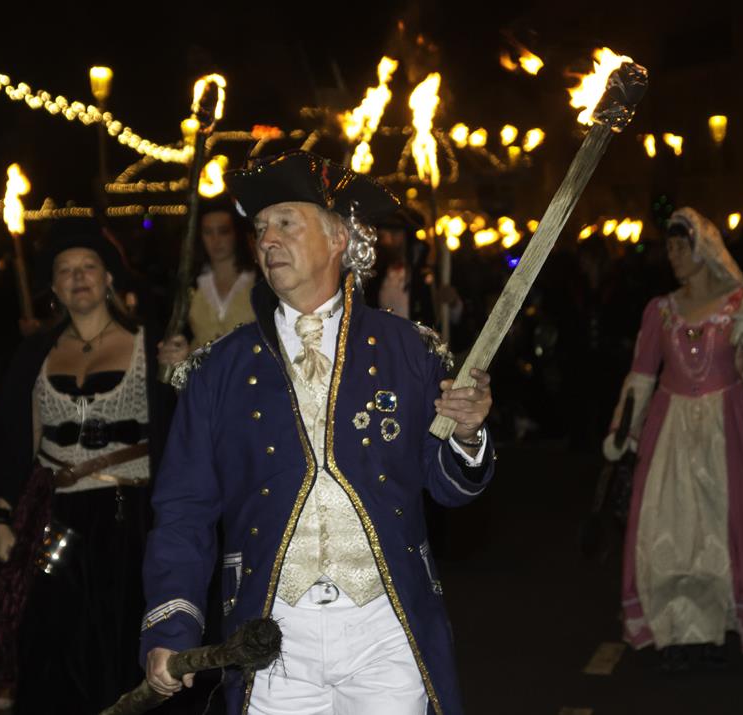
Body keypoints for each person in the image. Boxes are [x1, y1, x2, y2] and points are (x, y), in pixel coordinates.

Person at [141, 151, 496, 714]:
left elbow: (451, 488)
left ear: (338, 239)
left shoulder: (408, 351)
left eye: (286, 222)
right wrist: (172, 623)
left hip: (386, 628)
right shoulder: (219, 370)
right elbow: (183, 510)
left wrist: (468, 435)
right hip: (270, 636)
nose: (268, 240)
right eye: (260, 229)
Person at [0, 218, 167, 713]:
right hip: (57, 518)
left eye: (89, 267)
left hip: (130, 518)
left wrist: (181, 371)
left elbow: (185, 431)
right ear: (54, 285)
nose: (78, 278)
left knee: (124, 644)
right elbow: (11, 440)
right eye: (66, 270)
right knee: (50, 643)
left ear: (109, 278)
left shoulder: (152, 344)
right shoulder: (36, 352)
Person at [605, 207, 743, 671]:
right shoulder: (661, 311)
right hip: (671, 426)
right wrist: (623, 429)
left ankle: (714, 622)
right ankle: (677, 625)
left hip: (727, 426)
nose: (674, 255)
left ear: (703, 249)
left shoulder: (742, 307)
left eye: (682, 246)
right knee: (671, 528)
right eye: (670, 247)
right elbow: (641, 376)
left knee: (720, 526)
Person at [157, 199, 257, 369]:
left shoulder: (258, 281)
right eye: (208, 232)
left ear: (236, 233)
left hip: (251, 378)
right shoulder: (189, 285)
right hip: (202, 382)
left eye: (223, 231)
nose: (215, 240)